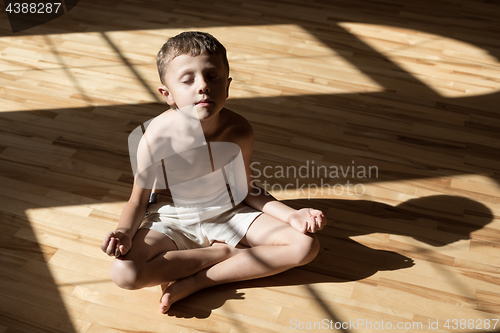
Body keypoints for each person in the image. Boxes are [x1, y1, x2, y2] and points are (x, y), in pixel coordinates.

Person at [101, 31, 327, 314]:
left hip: (227, 209)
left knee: (305, 246)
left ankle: (199, 281)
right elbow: (137, 201)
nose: (203, 86)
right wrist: (124, 232)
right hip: (173, 215)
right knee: (125, 274)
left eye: (213, 76)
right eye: (188, 80)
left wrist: (291, 215)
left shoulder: (239, 130)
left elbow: (246, 189)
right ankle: (223, 254)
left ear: (228, 86)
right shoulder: (154, 138)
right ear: (167, 94)